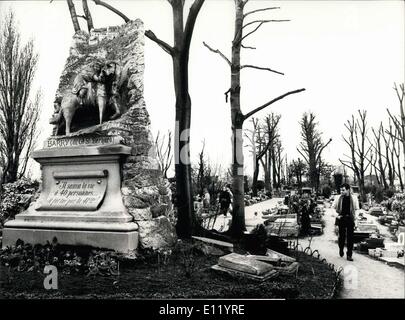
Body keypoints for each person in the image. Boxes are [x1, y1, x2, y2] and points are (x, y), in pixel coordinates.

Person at [333, 183, 359, 261]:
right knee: (342, 236)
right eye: (341, 190)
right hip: (341, 219)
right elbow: (333, 208)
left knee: (350, 237)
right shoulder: (338, 198)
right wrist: (337, 215)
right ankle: (341, 248)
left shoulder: (354, 198)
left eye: (343, 190)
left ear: (348, 190)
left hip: (350, 219)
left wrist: (355, 217)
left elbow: (357, 209)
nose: (341, 191)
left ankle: (349, 255)